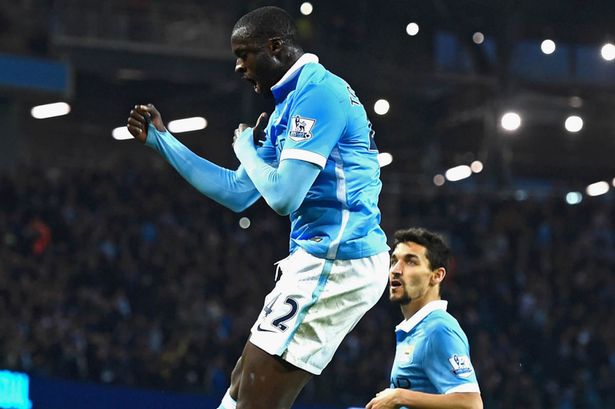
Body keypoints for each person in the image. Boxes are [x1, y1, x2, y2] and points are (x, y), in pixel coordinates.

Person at [126, 6, 389, 409]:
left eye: (244, 54)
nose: (238, 66)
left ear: (275, 47)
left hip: (339, 260)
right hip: (317, 258)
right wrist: (164, 141)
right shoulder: (288, 106)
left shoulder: (319, 93)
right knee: (241, 383)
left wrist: (245, 147)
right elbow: (238, 192)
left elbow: (284, 198)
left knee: (257, 396)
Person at [366, 228, 482, 409]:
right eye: (394, 261)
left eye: (410, 262)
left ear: (437, 276)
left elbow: (471, 404)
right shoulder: (414, 329)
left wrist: (399, 396)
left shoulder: (438, 329)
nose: (396, 270)